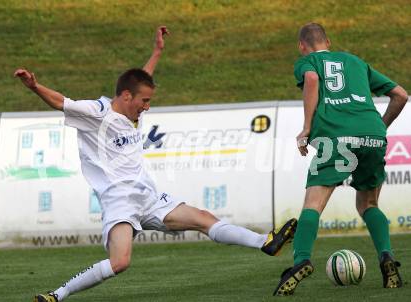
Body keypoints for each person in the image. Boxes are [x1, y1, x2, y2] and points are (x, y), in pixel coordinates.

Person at [15, 26, 297, 302]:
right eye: (145, 101)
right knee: (120, 262)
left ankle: (265, 242)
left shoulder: (132, 109)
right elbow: (63, 102)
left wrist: (157, 51)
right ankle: (57, 295)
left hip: (147, 195)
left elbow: (143, 79)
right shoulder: (98, 112)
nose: (147, 106)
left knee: (202, 218)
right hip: (119, 199)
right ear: (127, 97)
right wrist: (35, 86)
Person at [272, 23, 409, 296]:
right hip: (372, 135)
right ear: (328, 41)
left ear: (302, 46)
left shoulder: (306, 61)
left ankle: (301, 261)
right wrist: (379, 128)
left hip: (335, 137)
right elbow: (401, 95)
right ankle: (386, 257)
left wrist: (307, 128)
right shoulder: (356, 61)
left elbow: (311, 80)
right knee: (368, 204)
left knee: (313, 204)